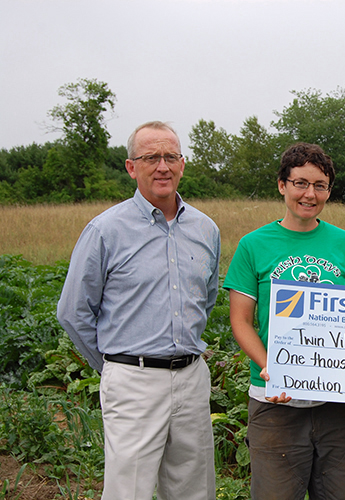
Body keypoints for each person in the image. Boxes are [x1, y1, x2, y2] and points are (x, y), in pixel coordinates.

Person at [57, 121, 220, 500]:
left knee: (194, 489)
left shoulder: (205, 228)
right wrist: (114, 365)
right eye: (151, 157)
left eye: (170, 157)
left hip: (191, 378)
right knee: (127, 491)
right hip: (132, 379)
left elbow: (205, 299)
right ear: (132, 167)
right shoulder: (106, 230)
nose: (162, 166)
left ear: (183, 163)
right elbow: (73, 311)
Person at [223, 142, 345, 500]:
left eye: (320, 185)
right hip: (275, 402)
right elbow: (241, 321)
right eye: (300, 183)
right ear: (282, 185)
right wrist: (270, 366)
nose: (310, 194)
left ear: (328, 191)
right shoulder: (253, 245)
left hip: (338, 405)